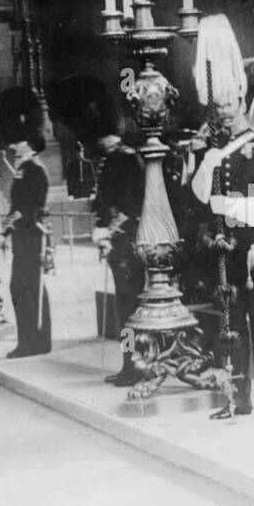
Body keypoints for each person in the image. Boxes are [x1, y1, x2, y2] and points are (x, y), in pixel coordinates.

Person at [190, 14, 254, 421]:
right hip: (224, 246)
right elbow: (197, 200)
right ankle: (237, 400)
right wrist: (205, 165)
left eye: (229, 102)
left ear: (242, 101)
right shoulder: (212, 150)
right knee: (231, 323)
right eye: (219, 103)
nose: (225, 110)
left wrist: (224, 208)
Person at [91, 130, 145, 386]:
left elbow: (133, 205)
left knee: (131, 307)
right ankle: (127, 364)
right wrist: (102, 235)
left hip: (128, 241)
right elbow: (102, 203)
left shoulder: (128, 158)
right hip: (115, 243)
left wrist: (108, 233)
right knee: (123, 308)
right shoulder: (109, 159)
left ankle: (137, 364)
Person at [0, 132, 53, 358]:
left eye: (19, 141)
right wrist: (6, 230)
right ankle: (38, 340)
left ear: (29, 144)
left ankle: (30, 342)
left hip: (30, 234)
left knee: (21, 287)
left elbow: (29, 206)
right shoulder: (27, 167)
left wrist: (8, 228)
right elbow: (18, 205)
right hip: (24, 234)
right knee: (31, 287)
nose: (15, 145)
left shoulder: (33, 168)